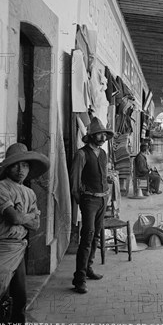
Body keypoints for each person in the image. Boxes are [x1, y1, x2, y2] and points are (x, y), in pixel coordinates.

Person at [0, 143, 49, 325]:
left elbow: (36, 225)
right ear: (7, 168)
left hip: (19, 249)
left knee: (19, 299)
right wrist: (26, 218)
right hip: (1, 249)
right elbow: (13, 217)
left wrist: (25, 218)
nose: (20, 170)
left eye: (25, 165)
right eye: (15, 166)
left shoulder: (29, 193)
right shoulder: (0, 188)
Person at [70, 117, 114, 294]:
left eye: (104, 134)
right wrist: (83, 201)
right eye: (100, 134)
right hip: (89, 201)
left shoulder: (103, 154)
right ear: (92, 136)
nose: (103, 137)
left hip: (103, 199)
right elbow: (74, 182)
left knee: (96, 236)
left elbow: (103, 176)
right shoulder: (81, 154)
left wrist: (107, 192)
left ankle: (88, 268)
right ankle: (79, 279)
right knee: (87, 238)